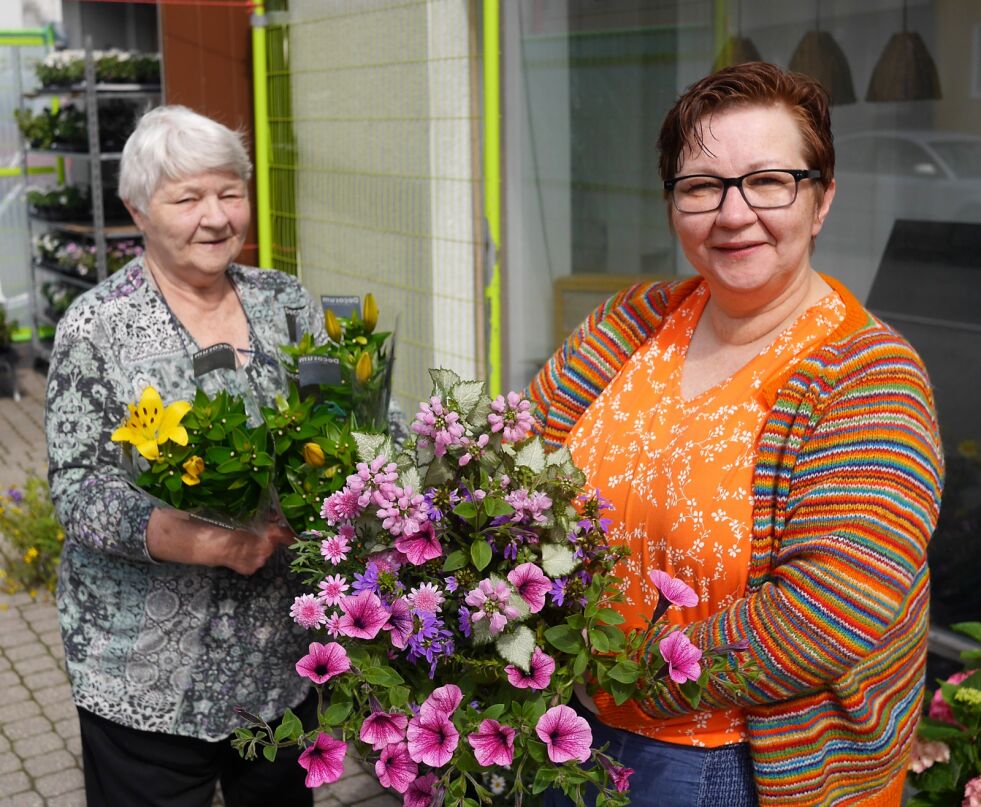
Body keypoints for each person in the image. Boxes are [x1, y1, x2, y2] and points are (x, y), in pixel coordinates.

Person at [531, 63, 943, 807]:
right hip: (569, 726)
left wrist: (618, 674)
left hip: (723, 763)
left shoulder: (868, 377)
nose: (732, 212)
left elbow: (824, 613)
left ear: (819, 201)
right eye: (701, 185)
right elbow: (514, 472)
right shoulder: (631, 321)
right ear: (672, 206)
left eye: (768, 180)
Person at [45, 106, 325, 806]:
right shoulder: (98, 326)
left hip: (280, 660)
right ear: (137, 208)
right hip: (146, 673)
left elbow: (334, 430)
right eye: (187, 198)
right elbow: (80, 493)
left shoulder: (285, 302)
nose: (215, 217)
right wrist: (209, 543)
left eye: (230, 192)